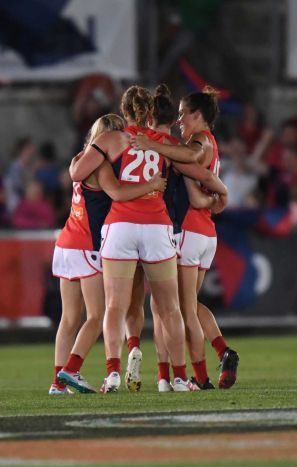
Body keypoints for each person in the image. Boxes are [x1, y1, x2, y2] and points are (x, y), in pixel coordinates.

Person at [68, 85, 202, 393]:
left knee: (115, 306)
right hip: (156, 227)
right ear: (152, 113)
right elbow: (192, 160)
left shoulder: (111, 139)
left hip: (121, 226)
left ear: (124, 111)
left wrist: (82, 160)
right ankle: (180, 378)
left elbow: (77, 174)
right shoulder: (164, 142)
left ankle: (113, 372)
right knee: (170, 308)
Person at [131, 86, 239, 389]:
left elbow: (190, 161)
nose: (180, 121)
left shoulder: (199, 141)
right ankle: (222, 350)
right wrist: (217, 196)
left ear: (197, 115)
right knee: (188, 304)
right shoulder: (209, 143)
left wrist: (153, 144)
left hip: (189, 231)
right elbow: (201, 184)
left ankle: (200, 378)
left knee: (180, 309)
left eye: (183, 114)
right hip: (205, 233)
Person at [51, 113, 166, 394]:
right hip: (87, 244)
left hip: (65, 242)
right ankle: (71, 370)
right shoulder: (101, 166)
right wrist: (151, 186)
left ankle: (57, 384)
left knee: (68, 318)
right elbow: (116, 194)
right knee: (96, 315)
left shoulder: (79, 159)